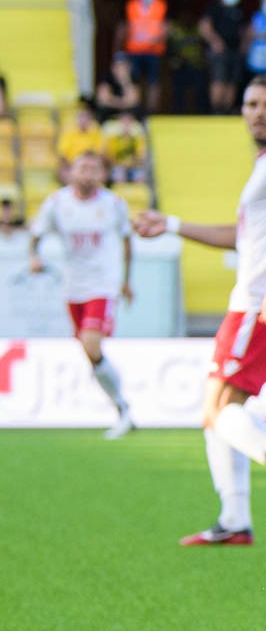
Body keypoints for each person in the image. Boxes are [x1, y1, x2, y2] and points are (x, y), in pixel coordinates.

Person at [133, 78, 266, 545]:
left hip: (261, 305)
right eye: (251, 104)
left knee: (221, 410)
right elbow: (240, 238)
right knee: (217, 410)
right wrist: (172, 225)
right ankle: (235, 520)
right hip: (258, 301)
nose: (259, 112)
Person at [27, 152, 135, 438]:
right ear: (70, 173)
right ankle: (121, 406)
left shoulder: (113, 204)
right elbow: (36, 234)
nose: (87, 174)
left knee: (91, 342)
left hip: (103, 285)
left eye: (93, 169)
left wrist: (126, 280)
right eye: (82, 168)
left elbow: (127, 241)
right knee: (88, 351)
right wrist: (34, 257)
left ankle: (123, 408)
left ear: (102, 174)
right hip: (73, 287)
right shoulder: (57, 202)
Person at [199, 0, 249, 114]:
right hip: (219, 51)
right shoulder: (214, 7)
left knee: (232, 82)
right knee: (219, 79)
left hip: (235, 51)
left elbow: (244, 30)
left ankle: (226, 110)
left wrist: (244, 45)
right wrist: (215, 41)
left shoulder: (240, 9)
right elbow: (204, 26)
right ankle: (217, 110)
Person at [118, 0, 168, 114]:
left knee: (153, 81)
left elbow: (165, 26)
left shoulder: (160, 5)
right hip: (135, 50)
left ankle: (152, 110)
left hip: (154, 50)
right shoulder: (131, 5)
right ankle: (135, 107)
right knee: (134, 80)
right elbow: (125, 26)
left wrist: (159, 39)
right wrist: (119, 47)